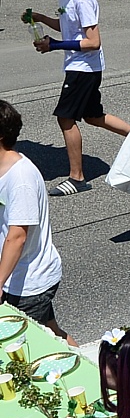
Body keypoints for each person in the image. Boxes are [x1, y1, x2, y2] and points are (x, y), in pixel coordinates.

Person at [28, 0, 130, 194]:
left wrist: (54, 45)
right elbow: (68, 25)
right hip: (79, 66)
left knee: (65, 118)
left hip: (84, 67)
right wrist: (41, 18)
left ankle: (77, 178)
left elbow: (93, 42)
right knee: (93, 116)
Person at [0, 100, 69, 341]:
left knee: (26, 347)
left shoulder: (21, 179)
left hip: (27, 284)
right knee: (53, 334)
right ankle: (93, 364)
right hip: (16, 276)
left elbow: (17, 236)